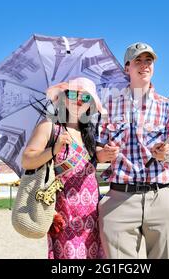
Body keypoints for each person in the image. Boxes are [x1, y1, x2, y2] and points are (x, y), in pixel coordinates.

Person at [96, 42, 169, 259]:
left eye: (149, 61)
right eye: (138, 60)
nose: (144, 65)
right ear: (126, 68)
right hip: (119, 199)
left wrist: (166, 154)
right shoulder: (107, 107)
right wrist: (104, 154)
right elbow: (97, 150)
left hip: (161, 198)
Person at [22, 77, 106, 259]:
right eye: (73, 94)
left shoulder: (89, 135)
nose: (78, 100)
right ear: (62, 98)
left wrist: (105, 155)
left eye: (85, 98)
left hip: (92, 218)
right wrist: (54, 149)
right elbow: (27, 160)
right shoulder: (49, 126)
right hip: (64, 215)